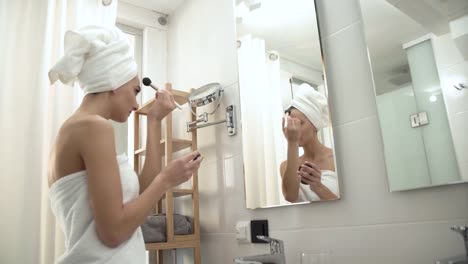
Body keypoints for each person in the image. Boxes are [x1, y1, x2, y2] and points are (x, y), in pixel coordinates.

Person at [47, 25, 203, 263]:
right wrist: (167, 180)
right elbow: (114, 232)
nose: (137, 102)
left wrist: (154, 121)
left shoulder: (79, 128)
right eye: (136, 90)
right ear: (114, 80)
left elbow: (139, 195)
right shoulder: (94, 127)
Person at [280, 83, 338, 203]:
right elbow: (290, 196)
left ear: (315, 125)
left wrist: (318, 186)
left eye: (299, 123)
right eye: (291, 124)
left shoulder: (337, 159)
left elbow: (348, 207)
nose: (294, 129)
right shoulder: (286, 165)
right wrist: (292, 143)